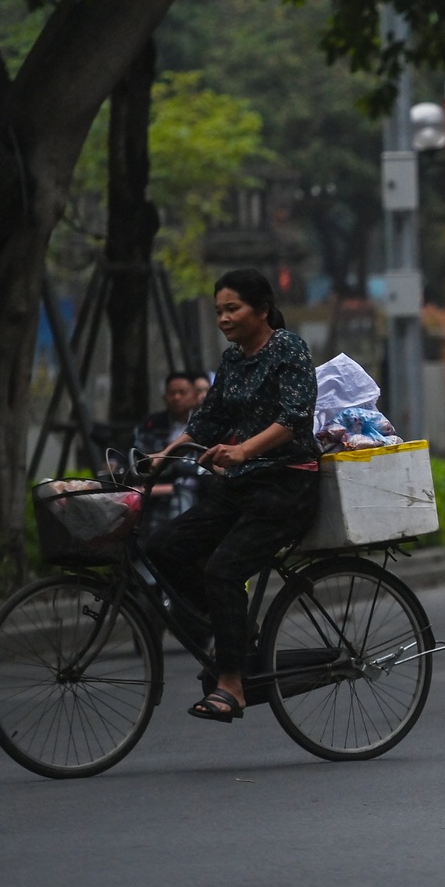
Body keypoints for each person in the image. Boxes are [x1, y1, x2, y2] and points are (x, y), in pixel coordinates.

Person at [144, 269, 321, 723]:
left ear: (261, 310)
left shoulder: (288, 349)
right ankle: (239, 631)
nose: (223, 318)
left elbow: (295, 418)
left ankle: (232, 684)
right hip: (242, 486)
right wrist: (163, 455)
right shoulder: (233, 359)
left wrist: (243, 450)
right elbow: (208, 418)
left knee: (223, 572)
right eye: (219, 310)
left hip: (286, 485)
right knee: (163, 547)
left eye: (233, 309)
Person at [134, 372, 203, 524]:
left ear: (195, 396)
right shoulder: (152, 423)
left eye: (182, 393)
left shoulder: (203, 424)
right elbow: (137, 450)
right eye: (172, 393)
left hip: (192, 488)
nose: (176, 398)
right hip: (155, 482)